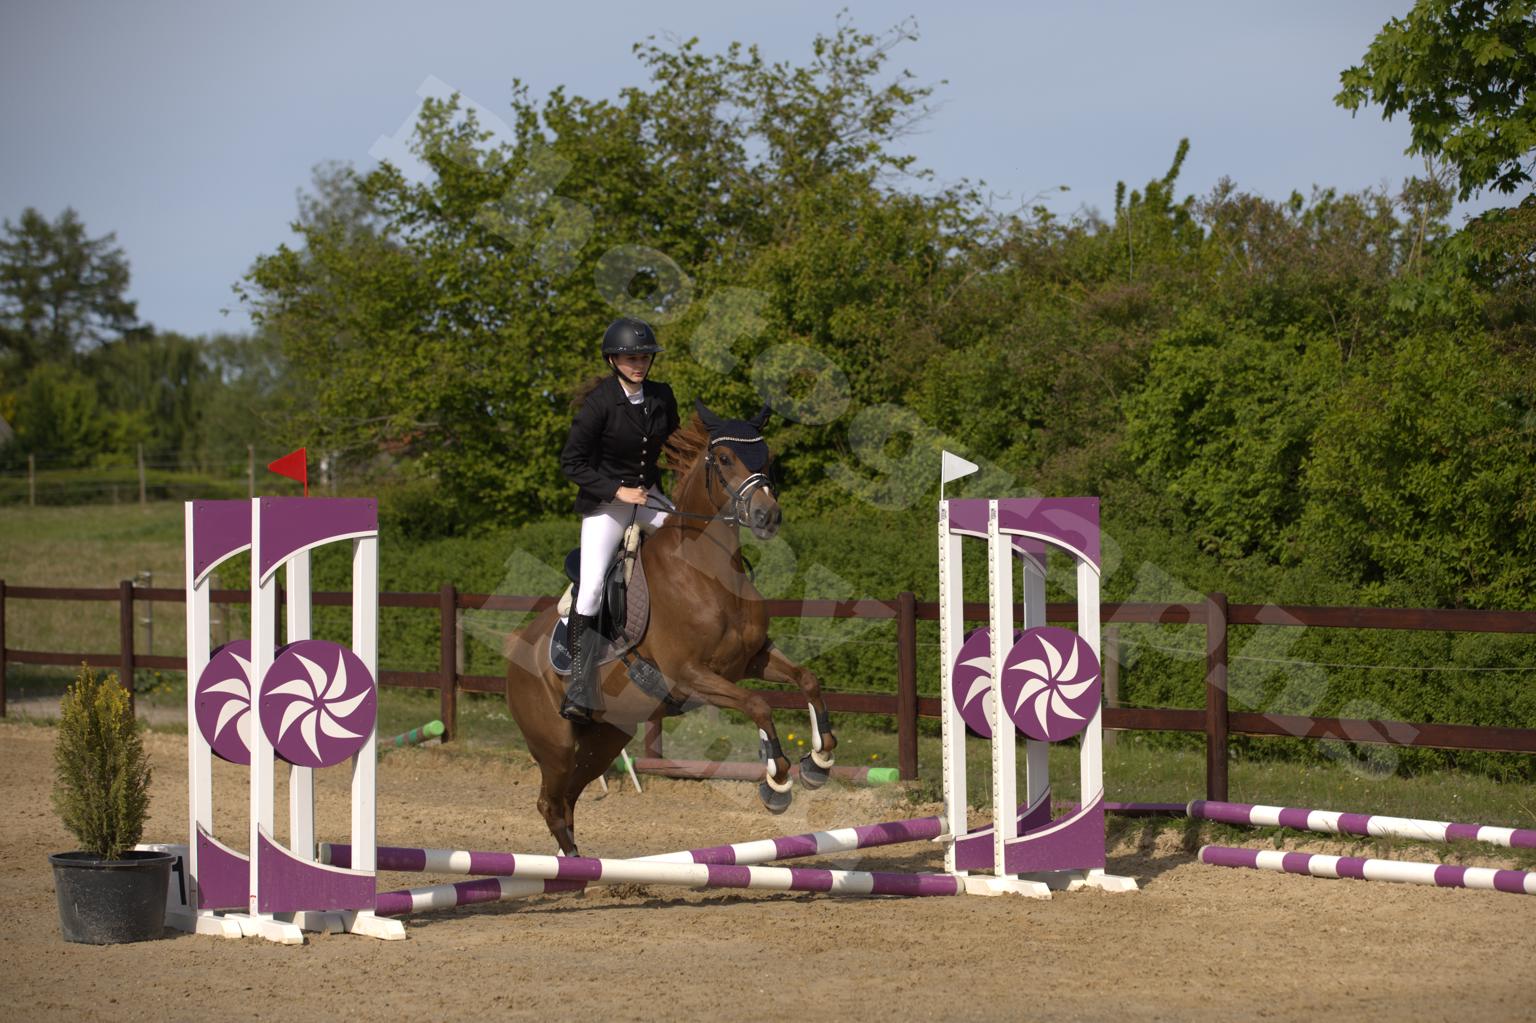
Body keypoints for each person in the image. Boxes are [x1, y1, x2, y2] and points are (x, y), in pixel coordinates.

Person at [557, 316, 680, 723]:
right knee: (592, 586)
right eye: (631, 358)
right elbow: (571, 463)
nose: (639, 364)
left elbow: (676, 446)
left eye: (644, 357)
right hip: (607, 504)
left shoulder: (662, 396)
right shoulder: (599, 403)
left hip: (649, 498)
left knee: (696, 544)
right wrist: (616, 491)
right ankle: (579, 686)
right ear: (613, 360)